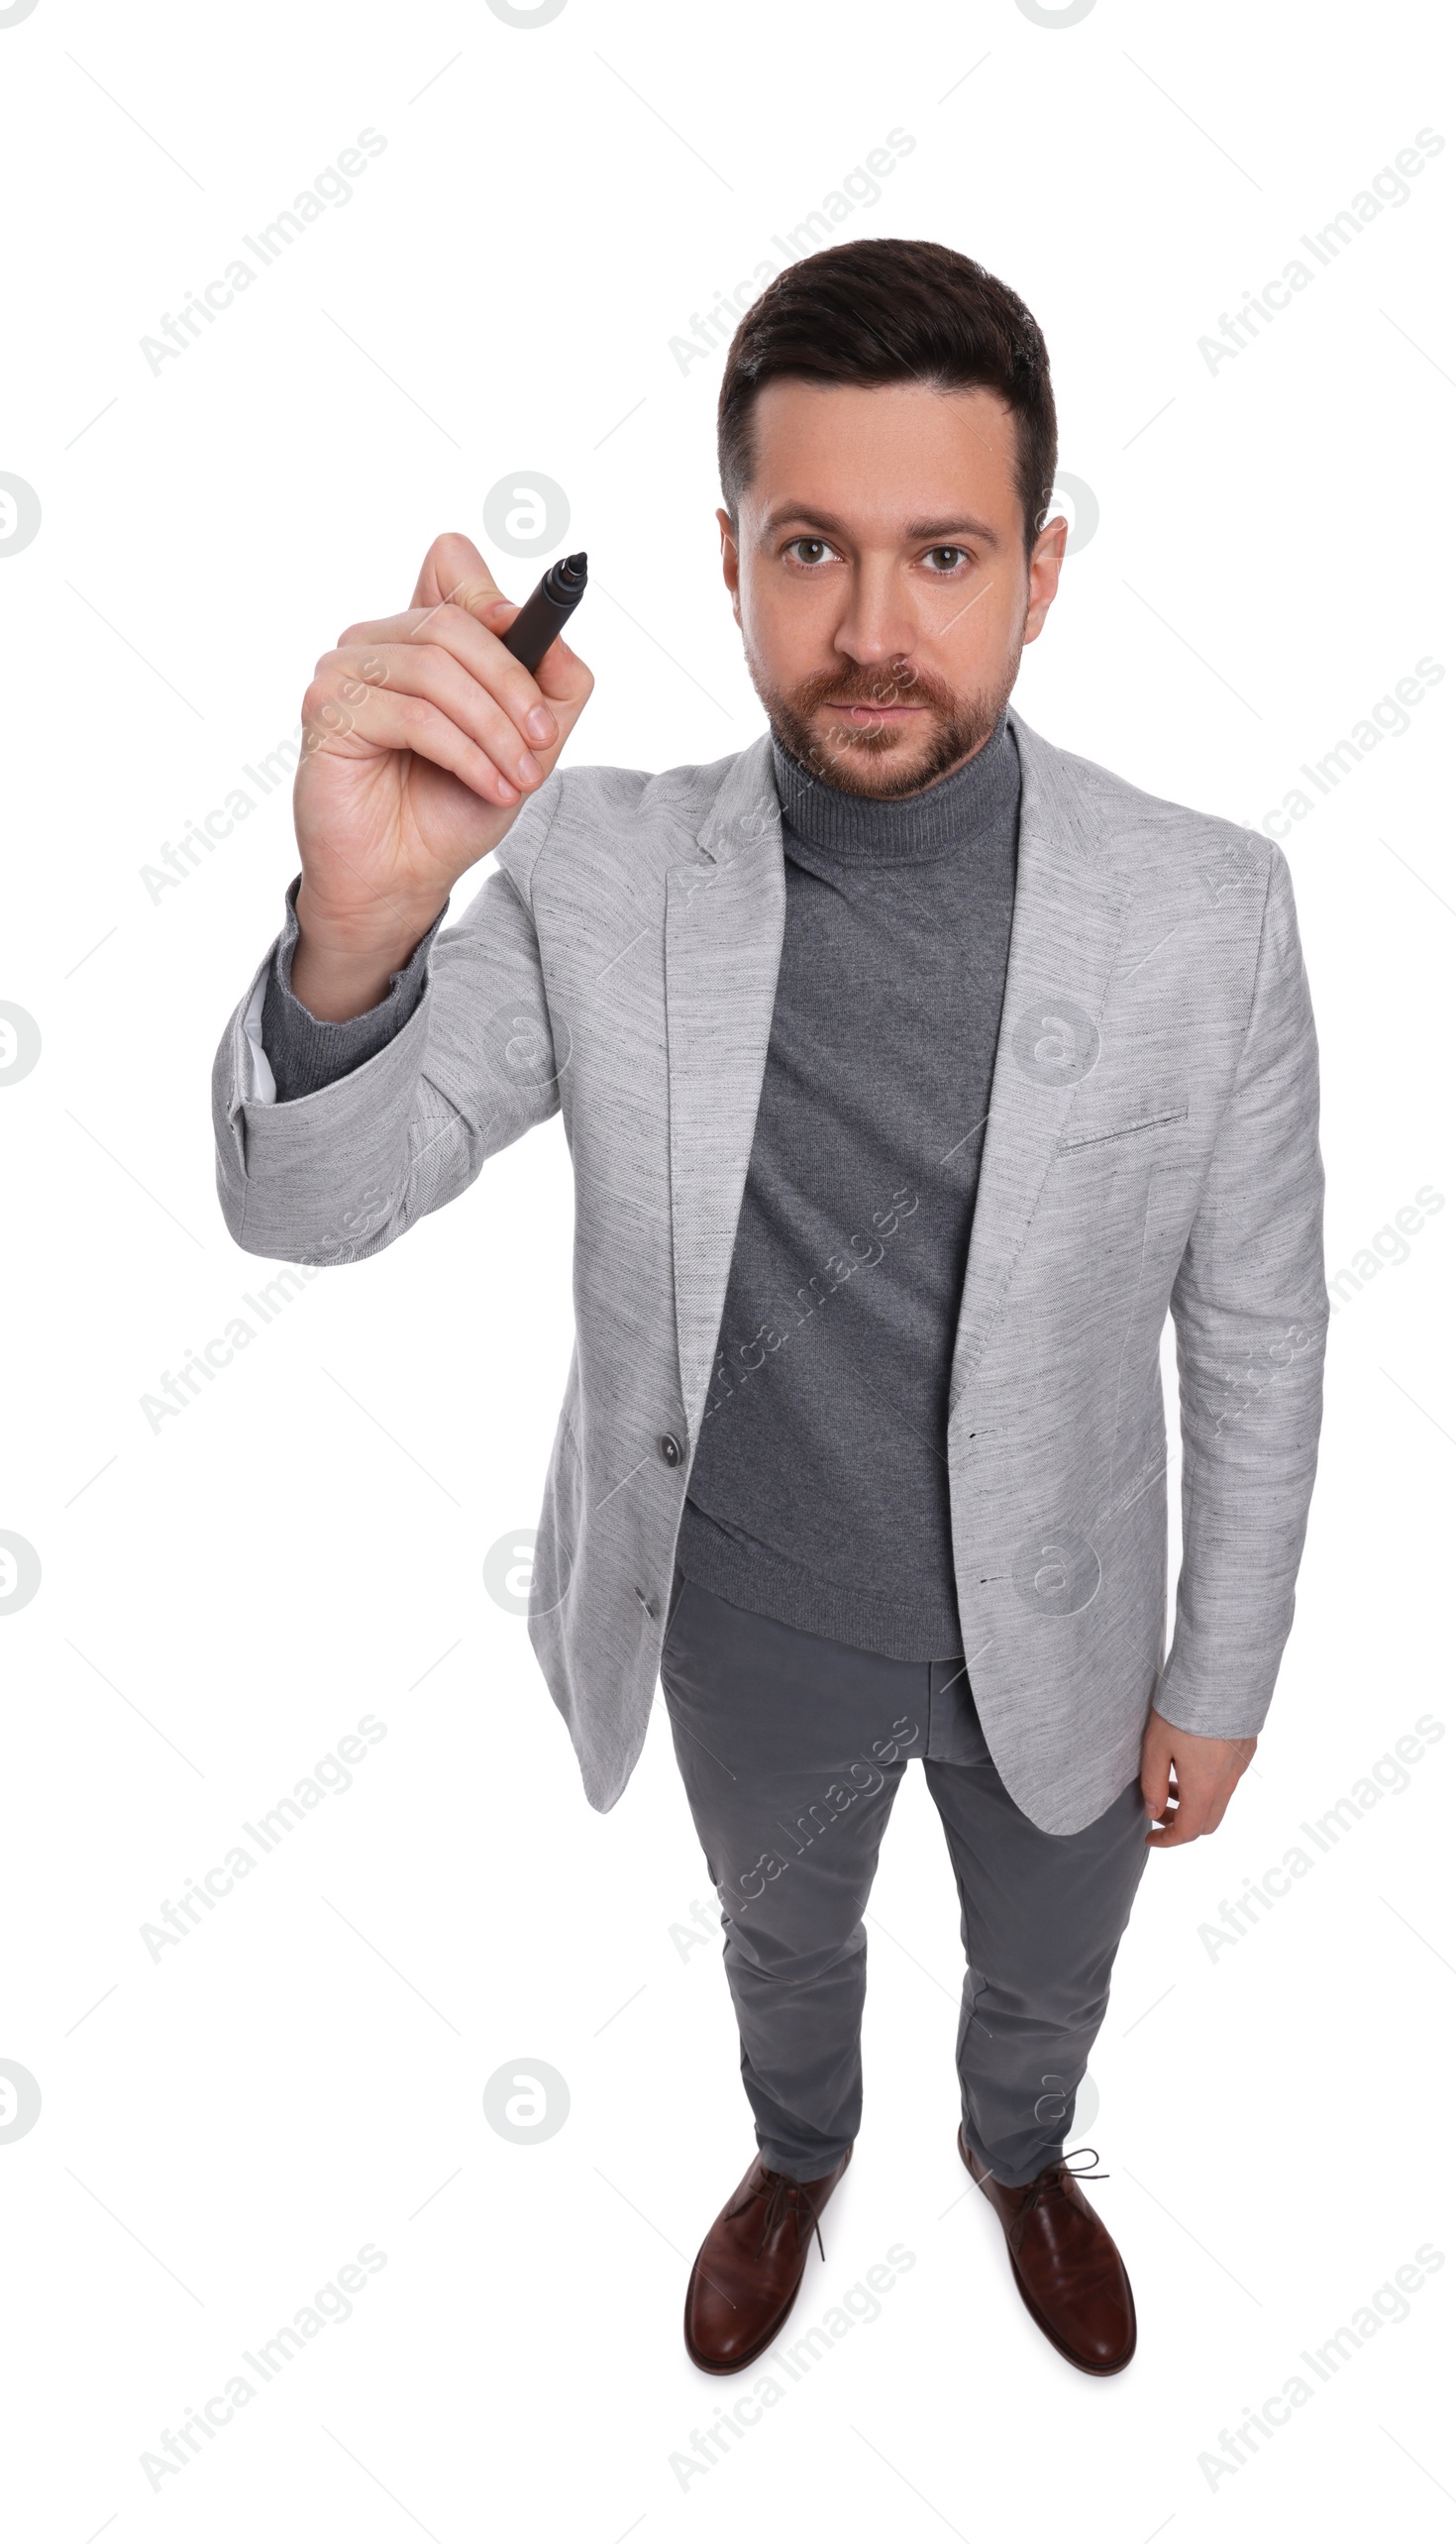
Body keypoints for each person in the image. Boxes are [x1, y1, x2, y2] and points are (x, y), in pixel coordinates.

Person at [211, 237, 1327, 2381]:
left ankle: (1018, 2149)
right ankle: (796, 2147)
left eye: (942, 553)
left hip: (1071, 1640)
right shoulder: (593, 868)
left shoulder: (1209, 910)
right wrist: (357, 925)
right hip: (741, 1626)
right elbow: (310, 1207)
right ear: (727, 559)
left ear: (1040, 571)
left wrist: (1224, 1673)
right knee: (781, 1941)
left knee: (1042, 1968)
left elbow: (1260, 1326)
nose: (873, 630)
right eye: (811, 548)